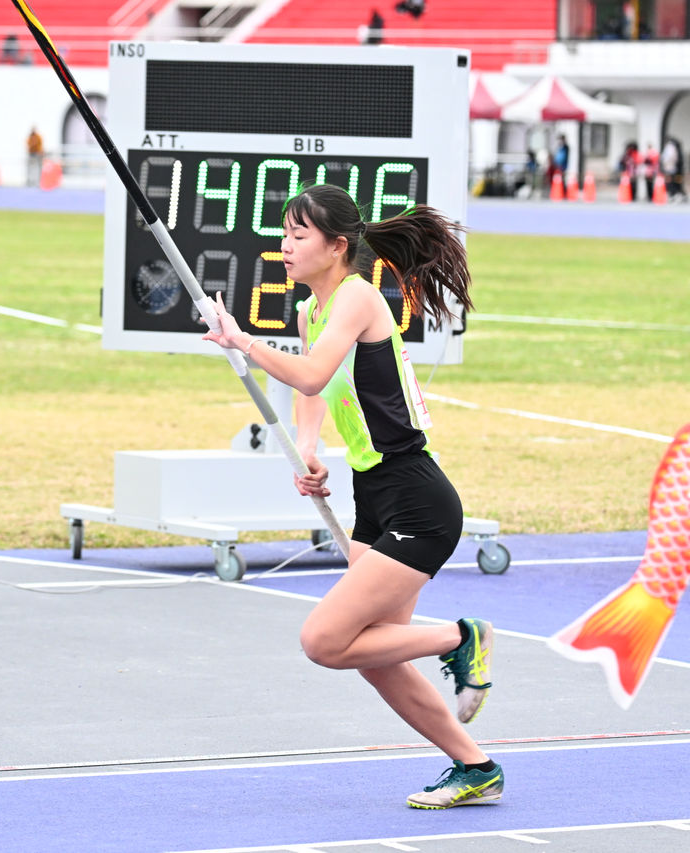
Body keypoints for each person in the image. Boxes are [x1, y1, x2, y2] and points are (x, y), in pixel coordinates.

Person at [199, 183, 502, 810]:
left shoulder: (358, 297)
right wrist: (309, 449)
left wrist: (242, 340)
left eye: (298, 235)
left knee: (324, 641)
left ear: (337, 246)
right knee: (375, 655)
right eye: (285, 234)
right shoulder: (312, 311)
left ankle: (461, 636)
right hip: (374, 495)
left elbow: (310, 374)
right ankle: (476, 768)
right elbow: (314, 391)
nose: (284, 246)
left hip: (417, 497)